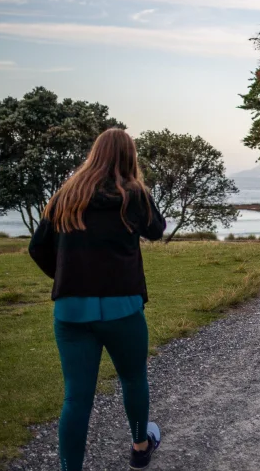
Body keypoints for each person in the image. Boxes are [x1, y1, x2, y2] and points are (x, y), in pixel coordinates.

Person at [29, 128, 166, 470]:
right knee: (133, 379)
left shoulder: (66, 194)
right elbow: (157, 229)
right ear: (129, 157)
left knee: (76, 397)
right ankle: (139, 446)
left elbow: (37, 248)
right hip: (122, 308)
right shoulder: (133, 195)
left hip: (71, 311)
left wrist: (67, 277)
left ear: (94, 154)